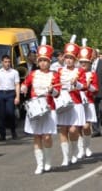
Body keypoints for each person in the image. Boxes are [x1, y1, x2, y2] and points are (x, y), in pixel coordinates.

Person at [21, 43, 60, 174]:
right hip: (35, 107)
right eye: (41, 61)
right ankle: (39, 164)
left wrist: (52, 90)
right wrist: (24, 88)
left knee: (47, 137)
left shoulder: (55, 75)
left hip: (49, 107)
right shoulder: (33, 74)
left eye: (46, 61)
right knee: (37, 136)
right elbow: (25, 84)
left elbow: (57, 94)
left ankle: (48, 161)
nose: (43, 63)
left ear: (49, 62)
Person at [56, 36, 87, 166]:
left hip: (75, 102)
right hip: (62, 101)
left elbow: (84, 86)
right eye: (67, 58)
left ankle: (74, 151)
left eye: (71, 58)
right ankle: (65, 157)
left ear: (75, 60)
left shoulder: (79, 71)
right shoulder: (58, 71)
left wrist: (77, 84)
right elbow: (55, 85)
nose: (68, 60)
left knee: (73, 130)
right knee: (63, 129)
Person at [0, 55, 21, 141]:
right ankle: (2, 135)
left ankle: (13, 132)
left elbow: (17, 85)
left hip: (10, 94)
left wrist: (17, 97)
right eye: (5, 62)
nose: (7, 64)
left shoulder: (14, 72)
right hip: (1, 94)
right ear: (2, 62)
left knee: (11, 113)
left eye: (9, 62)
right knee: (1, 115)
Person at [76, 40, 98, 158]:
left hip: (88, 102)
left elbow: (95, 89)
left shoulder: (92, 74)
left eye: (86, 62)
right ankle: (81, 149)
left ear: (89, 63)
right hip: (77, 102)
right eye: (81, 62)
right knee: (79, 125)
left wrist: (89, 85)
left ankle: (87, 146)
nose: (83, 64)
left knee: (86, 126)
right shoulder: (76, 73)